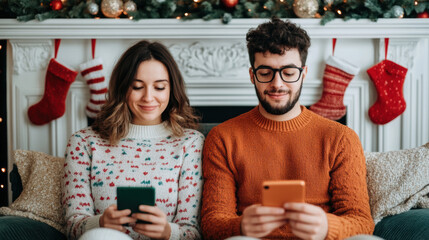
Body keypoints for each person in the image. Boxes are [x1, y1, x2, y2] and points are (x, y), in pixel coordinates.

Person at [201, 17, 375, 240]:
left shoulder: (341, 137)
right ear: (252, 76)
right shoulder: (223, 138)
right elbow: (212, 223)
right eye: (265, 73)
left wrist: (326, 227)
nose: (277, 84)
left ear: (303, 74)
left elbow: (361, 221)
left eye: (289, 73)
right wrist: (242, 226)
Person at [62, 40, 205, 240]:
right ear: (123, 89)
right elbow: (71, 227)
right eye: (137, 87)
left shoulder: (190, 143)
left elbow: (193, 232)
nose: (148, 97)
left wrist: (167, 232)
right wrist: (100, 222)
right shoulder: (84, 142)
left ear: (172, 90)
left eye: (159, 87)